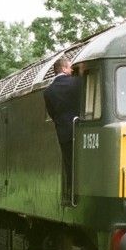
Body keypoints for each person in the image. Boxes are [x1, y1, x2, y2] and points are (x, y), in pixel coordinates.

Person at [43, 57, 82, 194]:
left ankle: (72, 189)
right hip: (82, 128)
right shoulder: (78, 82)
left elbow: (53, 113)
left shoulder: (48, 91)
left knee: (69, 162)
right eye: (70, 68)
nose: (72, 70)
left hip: (64, 130)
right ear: (64, 69)